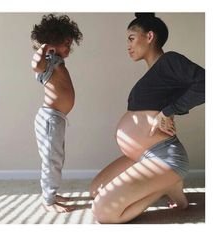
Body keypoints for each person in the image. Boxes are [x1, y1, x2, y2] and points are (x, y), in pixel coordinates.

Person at [90, 13, 205, 223]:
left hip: (163, 155)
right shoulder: (154, 72)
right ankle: (167, 184)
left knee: (103, 212)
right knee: (95, 190)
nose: (128, 45)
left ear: (150, 36)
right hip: (141, 154)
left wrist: (169, 111)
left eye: (131, 38)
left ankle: (167, 183)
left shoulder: (170, 60)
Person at [31, 14, 83, 212]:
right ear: (52, 40)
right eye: (65, 43)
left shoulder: (57, 61)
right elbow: (35, 65)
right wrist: (44, 47)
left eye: (70, 43)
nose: (69, 47)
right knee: (52, 160)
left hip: (56, 119)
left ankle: (50, 193)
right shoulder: (47, 59)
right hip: (49, 119)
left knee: (56, 158)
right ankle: (48, 200)